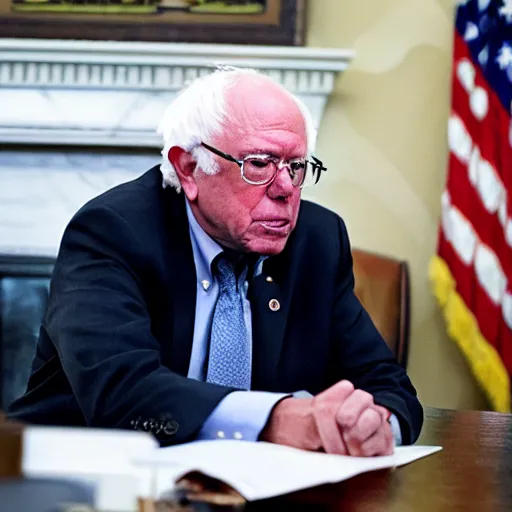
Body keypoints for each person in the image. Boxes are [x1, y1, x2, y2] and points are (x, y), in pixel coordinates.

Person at [8, 68, 423, 456]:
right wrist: (275, 420)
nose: (284, 189)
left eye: (296, 167)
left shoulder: (317, 240)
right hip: (83, 482)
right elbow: (120, 394)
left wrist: (373, 425)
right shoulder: (111, 232)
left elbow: (389, 386)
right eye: (258, 164)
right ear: (188, 168)